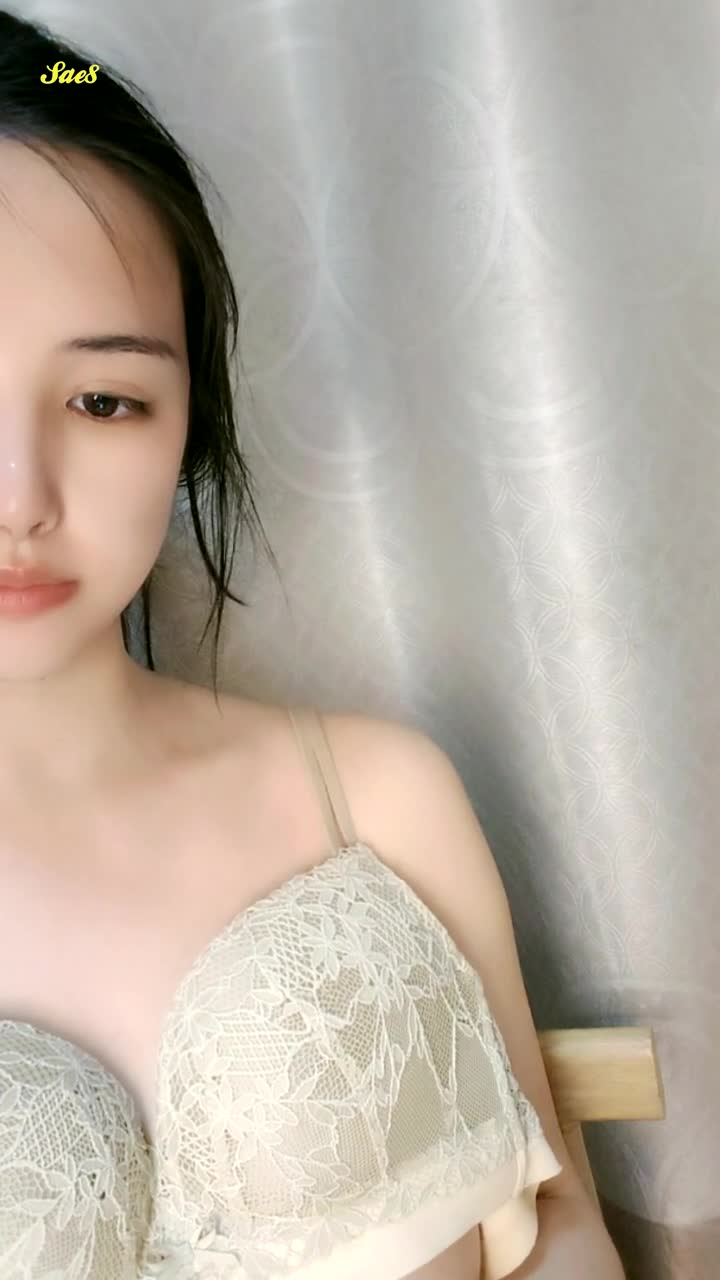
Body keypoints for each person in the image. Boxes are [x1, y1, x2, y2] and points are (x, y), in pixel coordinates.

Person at [0, 10, 625, 1279]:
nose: (21, 494)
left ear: (190, 422)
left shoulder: (378, 797)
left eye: (104, 399)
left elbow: (564, 1235)